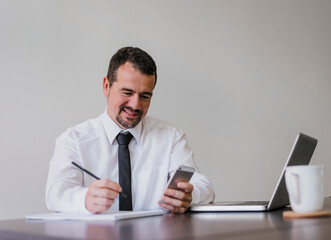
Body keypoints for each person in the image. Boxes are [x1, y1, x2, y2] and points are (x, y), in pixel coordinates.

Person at [46, 47, 215, 214]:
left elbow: (204, 186)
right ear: (106, 86)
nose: (135, 105)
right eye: (127, 92)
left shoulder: (171, 137)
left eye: (145, 96)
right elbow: (55, 194)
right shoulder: (74, 140)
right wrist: (85, 199)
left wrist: (190, 194)